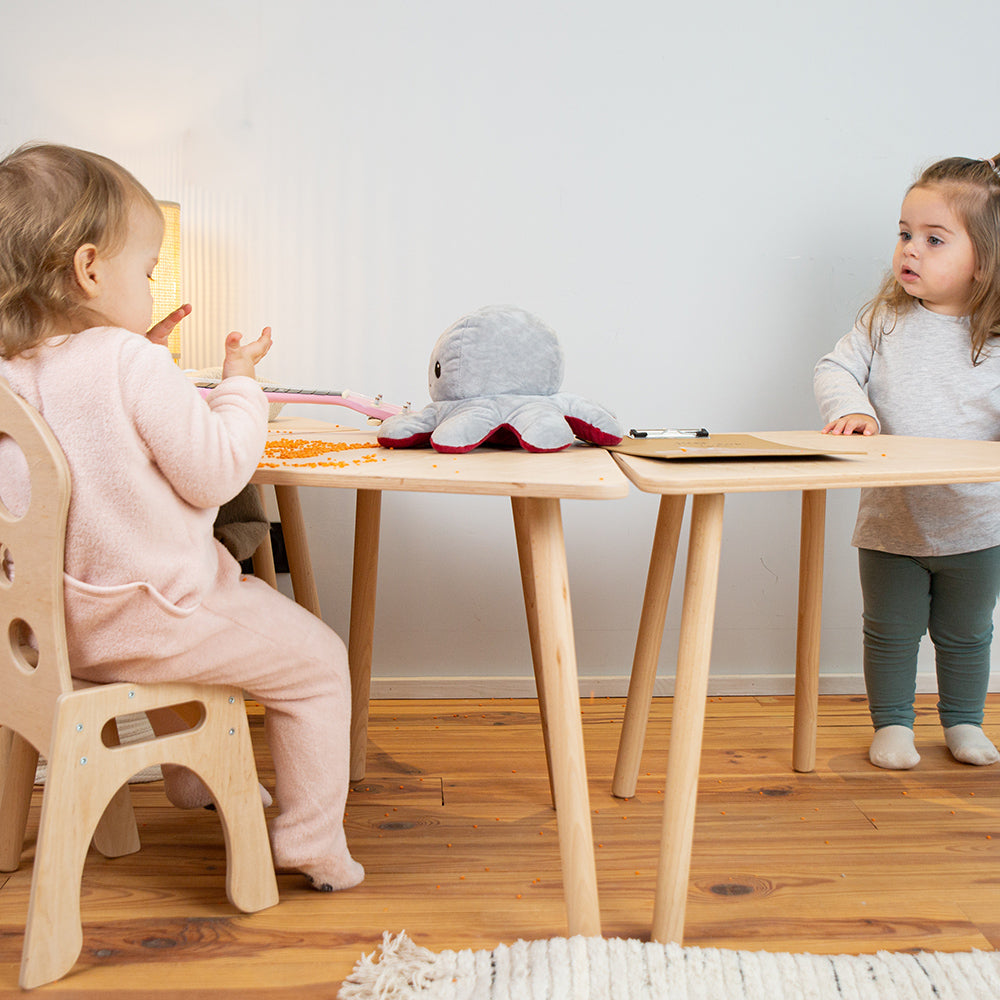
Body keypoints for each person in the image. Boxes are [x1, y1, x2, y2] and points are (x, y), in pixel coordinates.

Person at [0, 142, 363, 891]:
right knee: (320, 666)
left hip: (50, 635)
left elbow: (80, 454)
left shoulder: (14, 373)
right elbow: (217, 473)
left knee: (231, 634)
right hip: (157, 621)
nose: (151, 283)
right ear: (91, 269)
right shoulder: (130, 365)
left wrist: (140, 358)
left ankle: (196, 779)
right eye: (147, 270)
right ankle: (308, 838)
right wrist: (239, 386)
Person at [814, 153, 1000, 770]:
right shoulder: (884, 321)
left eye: (933, 239)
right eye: (904, 234)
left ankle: (964, 722)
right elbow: (836, 367)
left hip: (976, 524)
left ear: (985, 259)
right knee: (890, 632)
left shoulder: (995, 340)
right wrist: (854, 409)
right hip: (891, 521)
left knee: (967, 634)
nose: (910, 250)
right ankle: (892, 723)